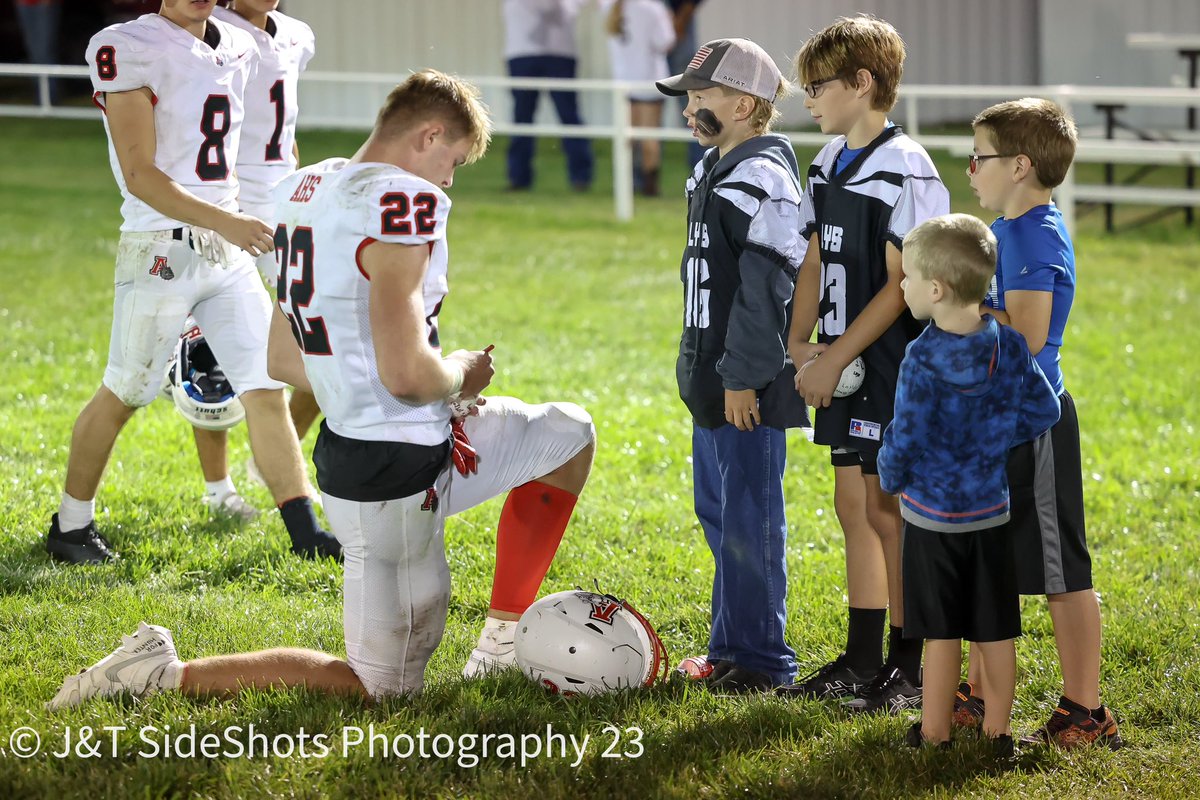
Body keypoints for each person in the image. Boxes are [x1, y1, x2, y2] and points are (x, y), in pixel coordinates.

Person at [48, 69, 597, 709]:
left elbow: (283, 358)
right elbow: (407, 376)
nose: (448, 182)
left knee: (566, 433)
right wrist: (460, 373)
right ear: (429, 135)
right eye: (451, 162)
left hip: (397, 438)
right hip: (388, 471)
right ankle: (159, 671)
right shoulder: (403, 200)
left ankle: (500, 640)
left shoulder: (302, 190)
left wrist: (377, 388)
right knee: (383, 689)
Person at [44, 0, 339, 564]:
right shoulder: (128, 45)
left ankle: (305, 533)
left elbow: (258, 144)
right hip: (160, 247)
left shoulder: (239, 44)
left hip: (225, 250)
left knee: (264, 388)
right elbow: (140, 175)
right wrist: (227, 219)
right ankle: (71, 526)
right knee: (126, 390)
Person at [777, 15, 949, 713]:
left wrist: (836, 357)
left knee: (889, 511)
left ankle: (908, 669)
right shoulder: (827, 161)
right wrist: (799, 341)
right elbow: (815, 256)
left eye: (818, 86)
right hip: (841, 361)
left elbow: (900, 285)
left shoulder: (905, 166)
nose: (808, 99)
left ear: (862, 83)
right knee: (853, 505)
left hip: (889, 363)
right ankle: (861, 659)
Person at [957, 97, 1122, 749]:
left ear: (1020, 165)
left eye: (981, 157)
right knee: (985, 558)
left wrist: (959, 312)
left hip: (1035, 425)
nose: (971, 169)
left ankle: (1086, 710)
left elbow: (1024, 337)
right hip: (994, 422)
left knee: (1060, 570)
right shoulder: (1008, 228)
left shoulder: (1033, 235)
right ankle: (977, 692)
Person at [656, 38, 807, 693]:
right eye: (688, 97)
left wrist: (742, 376)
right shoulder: (716, 167)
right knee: (721, 516)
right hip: (712, 378)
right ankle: (730, 647)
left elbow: (764, 291)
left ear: (745, 105)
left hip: (745, 383)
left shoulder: (763, 178)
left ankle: (762, 660)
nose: (689, 109)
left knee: (750, 523)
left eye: (701, 97)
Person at [877, 213, 1060, 754]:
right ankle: (999, 733)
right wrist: (995, 437)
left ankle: (934, 734)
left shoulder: (921, 357)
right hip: (991, 515)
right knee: (995, 630)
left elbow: (906, 436)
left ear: (935, 289)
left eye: (908, 278)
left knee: (942, 633)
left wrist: (889, 473)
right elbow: (1044, 411)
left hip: (931, 519)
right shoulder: (1009, 346)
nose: (902, 286)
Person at [171, 0, 320, 521]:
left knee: (322, 339)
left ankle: (275, 458)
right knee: (211, 354)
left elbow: (283, 123)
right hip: (228, 207)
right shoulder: (212, 33)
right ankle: (218, 489)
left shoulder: (297, 35)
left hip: (283, 207)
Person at [501, 0, 594, 191]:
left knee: (568, 116)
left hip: (559, 52)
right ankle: (518, 177)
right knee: (522, 118)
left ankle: (581, 177)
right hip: (523, 51)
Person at [600, 0, 675, 196]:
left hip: (623, 82)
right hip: (650, 80)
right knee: (649, 139)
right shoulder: (653, 9)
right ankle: (650, 187)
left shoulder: (609, 6)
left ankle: (626, 185)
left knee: (626, 139)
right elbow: (665, 42)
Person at [664, 0, 704, 166]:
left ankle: (702, 164)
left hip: (678, 25)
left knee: (691, 103)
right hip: (661, 23)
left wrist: (679, 21)